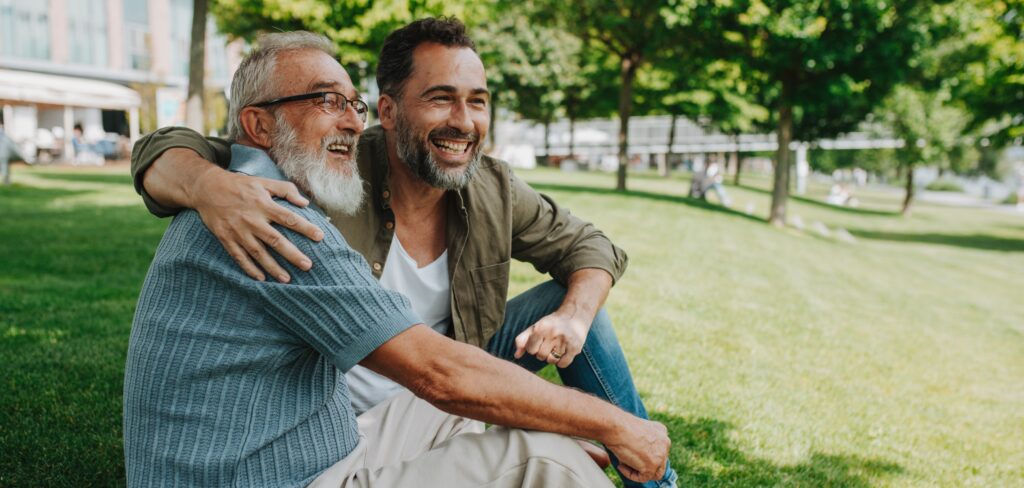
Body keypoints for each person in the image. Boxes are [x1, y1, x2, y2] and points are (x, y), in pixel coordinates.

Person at [130, 18, 676, 488]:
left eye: (351, 103)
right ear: (391, 113)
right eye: (327, 101)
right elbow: (442, 376)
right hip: (310, 463)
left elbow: (592, 248)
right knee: (550, 458)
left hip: (334, 431)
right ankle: (633, 455)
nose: (348, 119)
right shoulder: (264, 212)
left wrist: (574, 319)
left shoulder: (487, 187)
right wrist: (617, 426)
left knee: (528, 388)